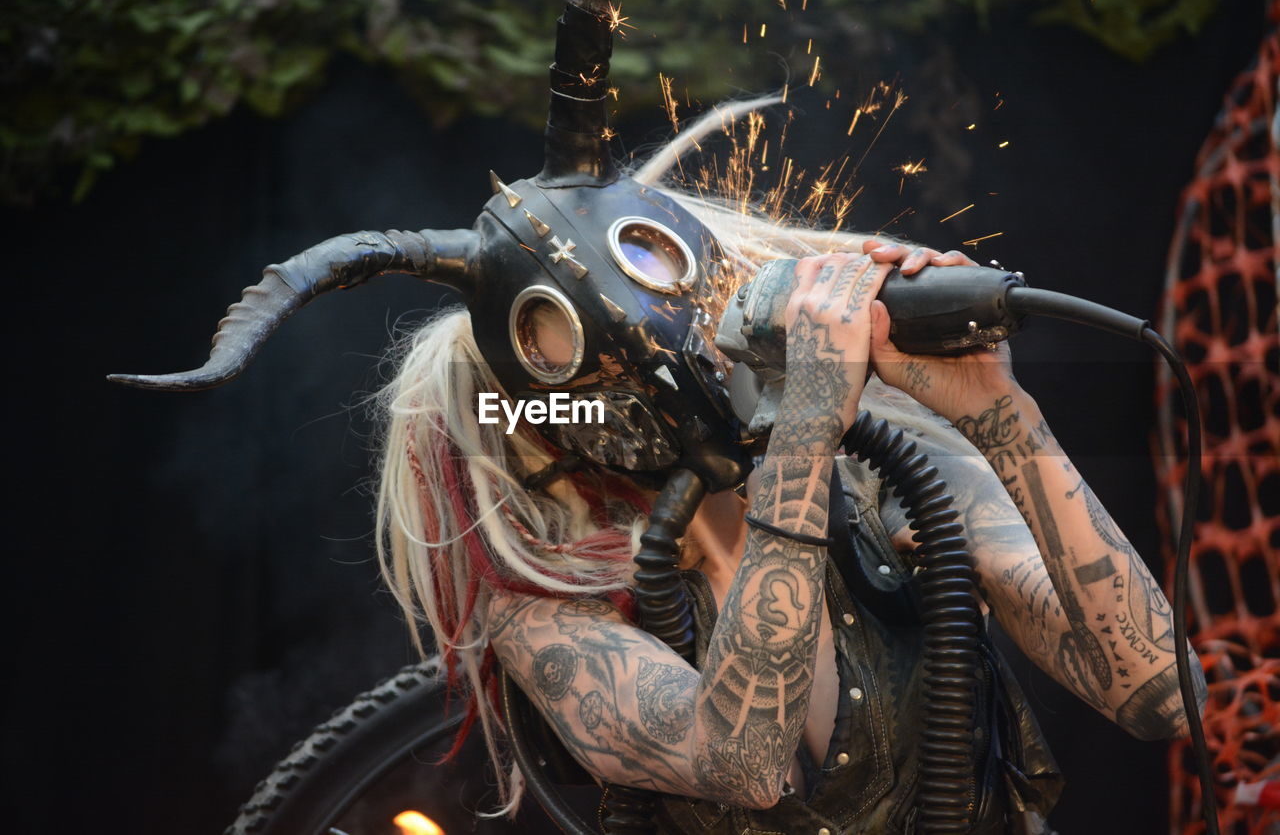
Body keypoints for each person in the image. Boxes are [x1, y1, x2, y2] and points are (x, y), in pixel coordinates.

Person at [372, 152, 1208, 832]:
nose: (680, 359)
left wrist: (998, 412)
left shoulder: (888, 471)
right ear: (550, 404)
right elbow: (742, 759)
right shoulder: (553, 605)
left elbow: (1163, 694)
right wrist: (803, 426)